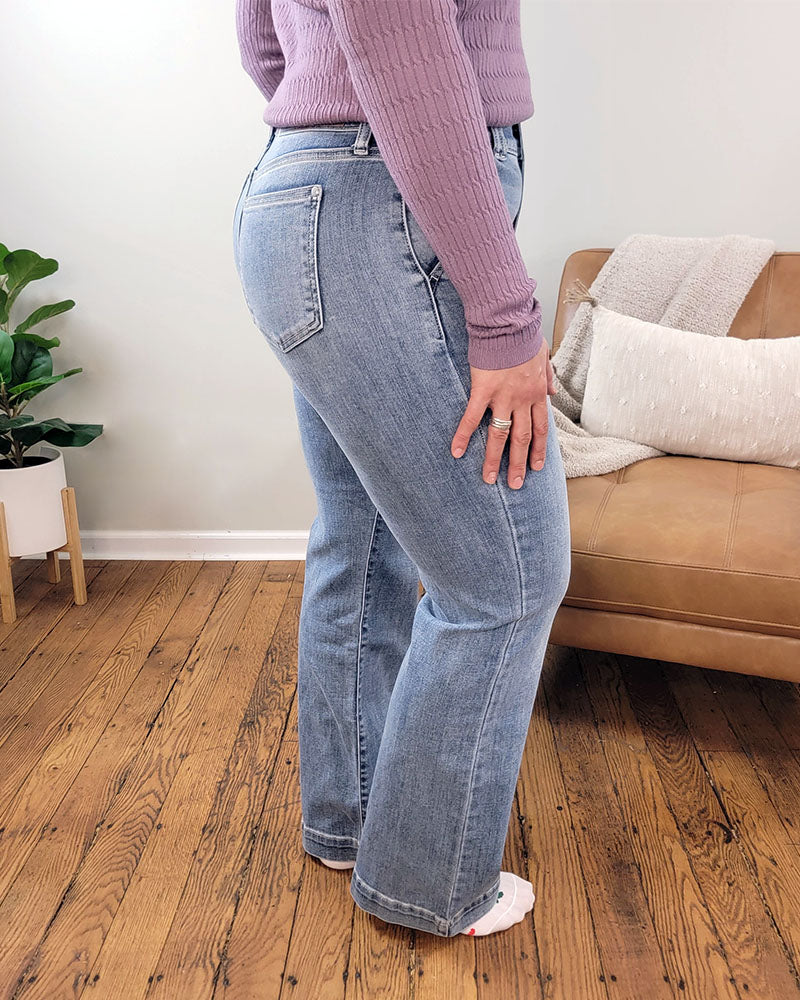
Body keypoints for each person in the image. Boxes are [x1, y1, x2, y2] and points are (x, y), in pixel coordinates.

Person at [232, 0, 571, 938]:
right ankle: (428, 885)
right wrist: (505, 316)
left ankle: (350, 818)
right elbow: (401, 49)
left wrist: (323, 137)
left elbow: (264, 39)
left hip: (310, 193)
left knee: (364, 531)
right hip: (378, 204)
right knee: (504, 578)